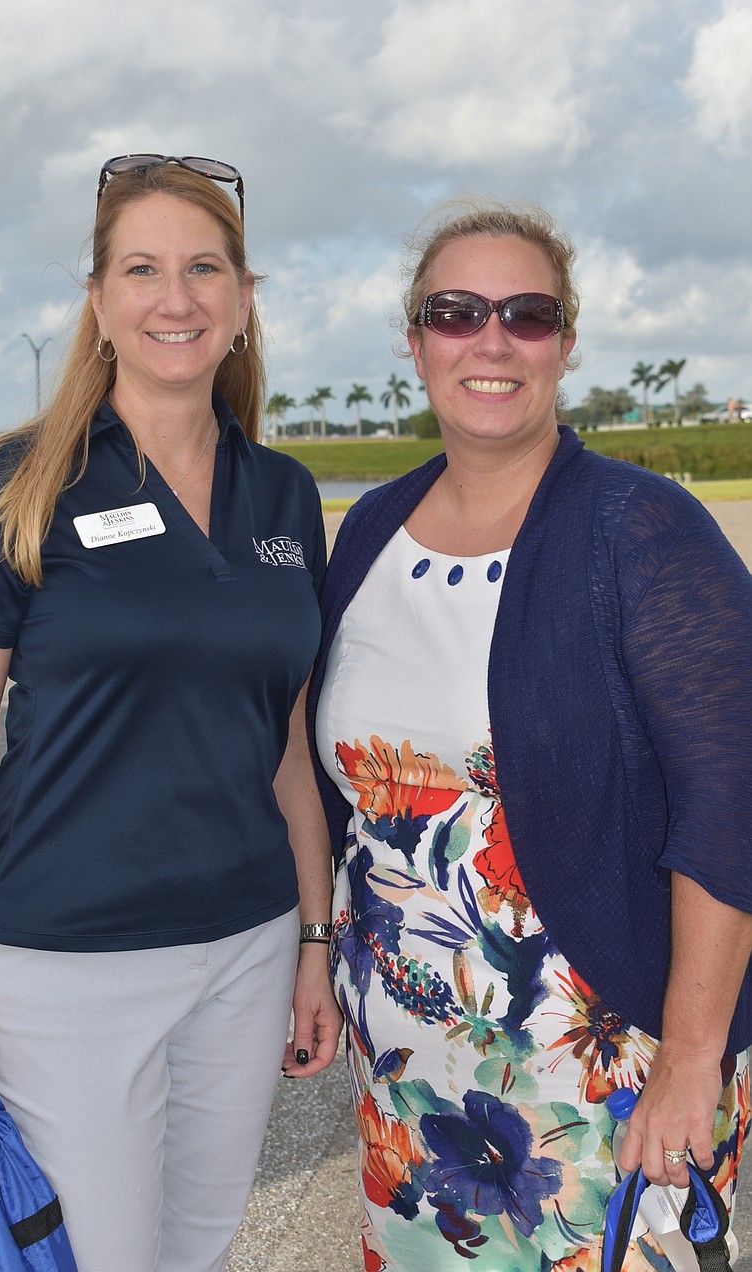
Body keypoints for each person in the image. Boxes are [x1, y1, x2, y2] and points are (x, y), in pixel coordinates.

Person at [0, 154, 341, 1272]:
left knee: (198, 1247)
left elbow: (288, 745)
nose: (174, 297)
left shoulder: (285, 494)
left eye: (203, 269)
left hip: (246, 949)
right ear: (98, 303)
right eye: (141, 270)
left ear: (243, 300)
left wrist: (311, 938)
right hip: (66, 962)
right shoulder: (15, 484)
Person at [307, 200, 752, 1270]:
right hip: (408, 1080)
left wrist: (693, 1055)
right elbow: (332, 792)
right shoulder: (369, 530)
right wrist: (314, 952)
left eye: (527, 314)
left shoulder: (641, 529)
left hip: (602, 1073)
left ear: (565, 341)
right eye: (457, 312)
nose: (492, 340)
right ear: (417, 340)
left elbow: (730, 800)